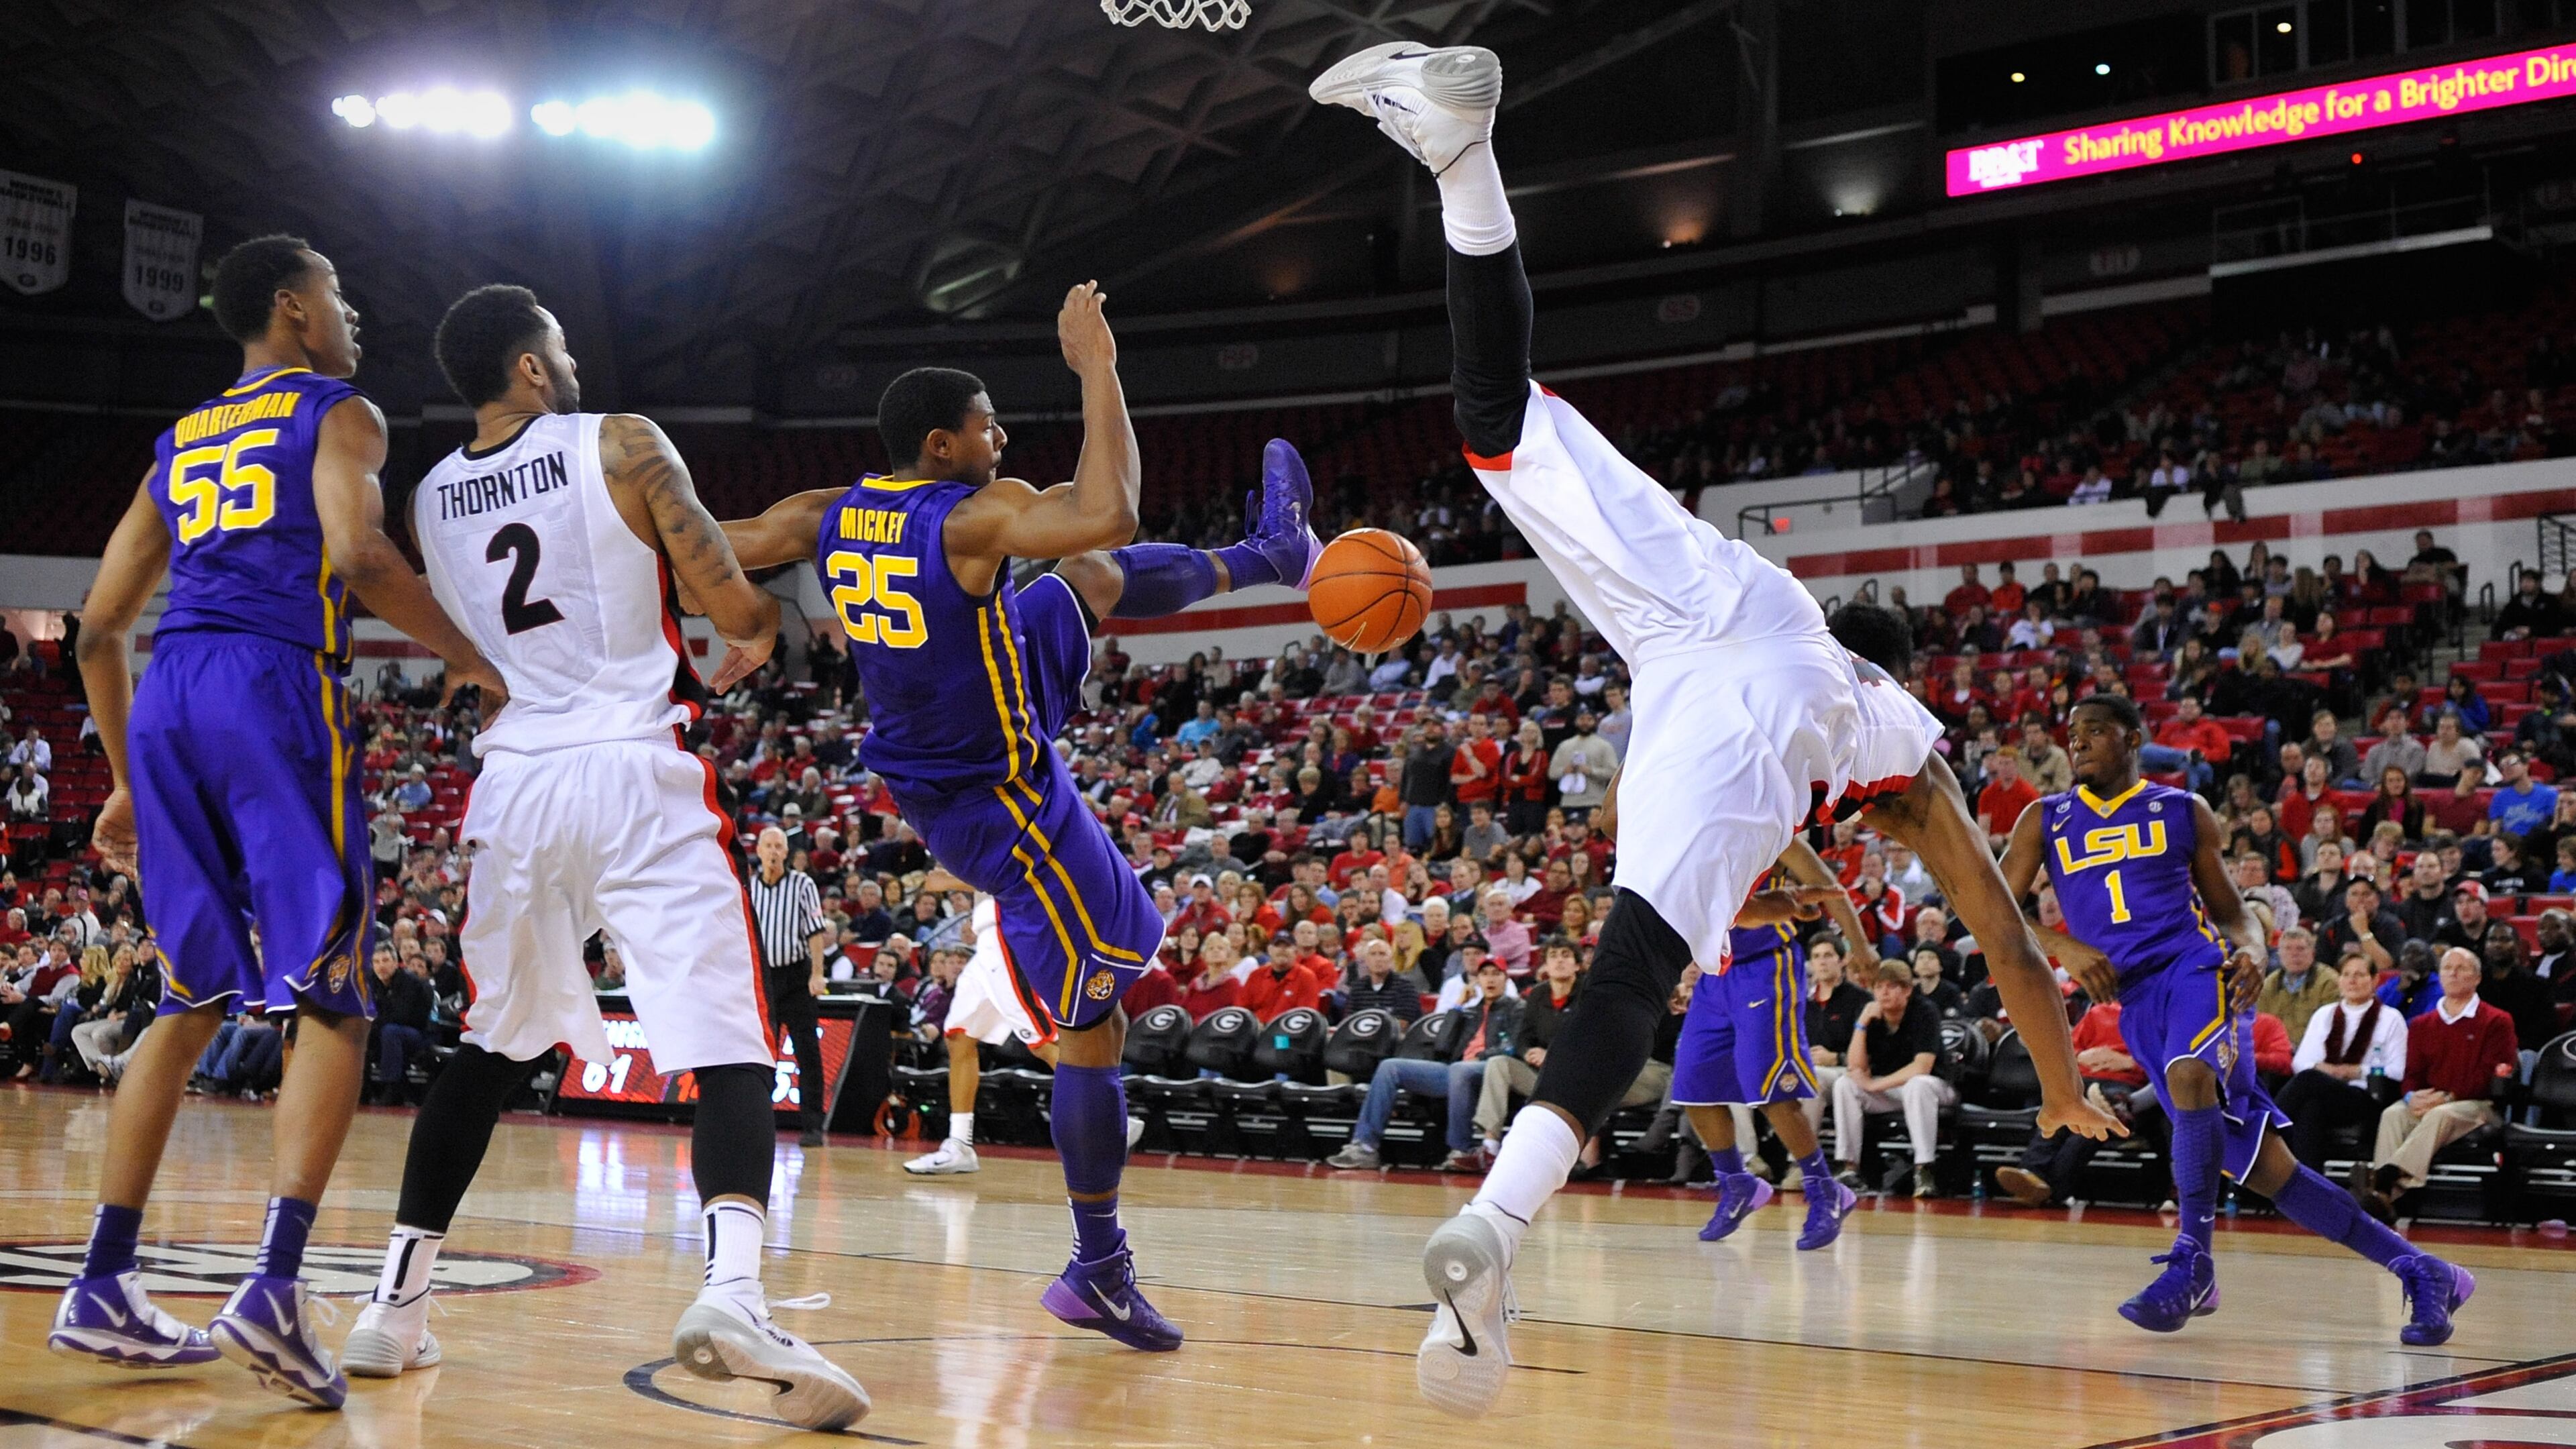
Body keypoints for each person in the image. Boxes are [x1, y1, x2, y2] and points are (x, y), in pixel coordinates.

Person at [1307, 42, 2115, 1415]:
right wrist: (2057, 1090)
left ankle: (1463, 156)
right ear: (1901, 677)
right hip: (1743, 732)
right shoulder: (1893, 741)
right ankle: (1496, 1234)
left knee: (1495, 420)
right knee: (1629, 977)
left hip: (1702, 606)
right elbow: (2006, 936)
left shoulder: (1791, 602)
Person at [710, 288, 1323, 1356]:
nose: (1003, 438)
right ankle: (1098, 1268)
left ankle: (1278, 553)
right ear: (943, 445)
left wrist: (744, 615)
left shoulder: (823, 511)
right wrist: (1099, 368)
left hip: (963, 727)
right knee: (1097, 1026)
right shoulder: (969, 514)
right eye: (990, 424)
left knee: (1076, 582)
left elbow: (716, 540)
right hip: (998, 800)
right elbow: (1112, 507)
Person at [341, 284, 865, 1427]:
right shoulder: (622, 441)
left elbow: (481, 635)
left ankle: (393, 1306)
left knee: (487, 1047)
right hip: (633, 764)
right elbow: (721, 594)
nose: (572, 363)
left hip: (518, 783)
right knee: (731, 1038)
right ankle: (733, 1290)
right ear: (532, 369)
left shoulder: (432, 495)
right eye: (562, 350)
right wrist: (759, 626)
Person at [54, 235, 507, 1400]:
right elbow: (357, 554)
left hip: (167, 697)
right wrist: (474, 658)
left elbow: (98, 626)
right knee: (335, 997)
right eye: (342, 295)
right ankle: (273, 1288)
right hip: (273, 686)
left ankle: (103, 1281)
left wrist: (121, 778)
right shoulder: (338, 410)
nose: (353, 313)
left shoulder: (179, 440)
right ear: (298, 311)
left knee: (188, 999)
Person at [1999, 692, 2475, 1347]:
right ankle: (2425, 1271)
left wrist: (2252, 949)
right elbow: (1996, 909)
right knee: (2269, 1172)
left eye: (2096, 731)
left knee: (2192, 1074)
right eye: (2072, 733)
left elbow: (2229, 912)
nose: (2076, 742)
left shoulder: (2183, 810)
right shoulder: (2042, 818)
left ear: (2134, 737)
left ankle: (2193, 1258)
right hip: (2135, 1001)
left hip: (2198, 970)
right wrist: (2064, 945)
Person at [1674, 843, 1876, 1247]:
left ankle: (1825, 1190)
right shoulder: (1701, 834)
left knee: (1771, 1092)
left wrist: (1861, 948)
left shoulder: (1782, 839)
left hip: (1768, 968)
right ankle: (1736, 1183)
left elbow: (1829, 890)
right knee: (1693, 1086)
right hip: (1716, 975)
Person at [2355, 947, 2519, 1220]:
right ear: (2440, 977)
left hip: (2478, 1105)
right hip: (2430, 1100)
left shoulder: (2496, 1021)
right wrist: (2411, 1097)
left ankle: (2384, 1180)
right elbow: (2412, 1074)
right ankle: (2384, 1201)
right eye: (2447, 968)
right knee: (2394, 1114)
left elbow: (2488, 1076)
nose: (2453, 973)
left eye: (2462, 968)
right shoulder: (2422, 1024)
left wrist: (2447, 1097)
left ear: (2477, 978)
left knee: (2440, 1115)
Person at [1326, 957, 1522, 1171]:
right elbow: (1442, 1046)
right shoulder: (1471, 1011)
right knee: (1390, 1067)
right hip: (1455, 1070)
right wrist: (1458, 1006)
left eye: (1496, 974)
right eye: (1485, 974)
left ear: (1506, 979)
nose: (1490, 979)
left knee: (1460, 1070)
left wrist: (1481, 1057)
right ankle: (1365, 1147)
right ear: (1478, 980)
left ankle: (1462, 1149)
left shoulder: (1518, 1009)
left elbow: (1512, 1047)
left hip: (1490, 1072)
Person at [907, 892, 1054, 1176]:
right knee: (959, 1037)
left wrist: (951, 876)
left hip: (1007, 928)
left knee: (1044, 1041)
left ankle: (1111, 1118)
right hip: (987, 938)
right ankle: (960, 1144)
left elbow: (995, 866)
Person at [1827, 961, 1954, 1197]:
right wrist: (1861, 1024)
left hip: (1935, 1087)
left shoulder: (1925, 1011)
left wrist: (1874, 1085)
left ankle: (1924, 1169)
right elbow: (1856, 1067)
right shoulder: (1872, 1014)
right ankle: (1849, 1167)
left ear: (1907, 990)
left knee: (1917, 1086)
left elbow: (1922, 1067)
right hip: (1895, 1091)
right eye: (1879, 986)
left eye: (1891, 986)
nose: (1884, 992)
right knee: (1845, 1084)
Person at [2276, 949, 2409, 1172]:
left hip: (2364, 1096)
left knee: (2310, 1079)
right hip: (2324, 1093)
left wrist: (2355, 1071)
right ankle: (2311, 1191)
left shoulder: (2390, 1018)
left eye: (2359, 975)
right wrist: (2327, 1070)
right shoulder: (2324, 1014)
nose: (2352, 981)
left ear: (2375, 980)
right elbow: (2300, 1062)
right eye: (2346, 975)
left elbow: (2398, 1070)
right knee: (2311, 1109)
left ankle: (2268, 1127)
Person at [748, 826, 834, 1148]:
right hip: (764, 979)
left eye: (779, 847)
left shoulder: (803, 884)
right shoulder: (750, 887)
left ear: (786, 852)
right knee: (761, 1054)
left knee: (807, 1053)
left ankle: (813, 1125)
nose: (773, 852)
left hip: (797, 978)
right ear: (758, 850)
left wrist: (817, 973)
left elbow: (815, 933)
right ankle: (758, 1122)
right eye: (768, 845)